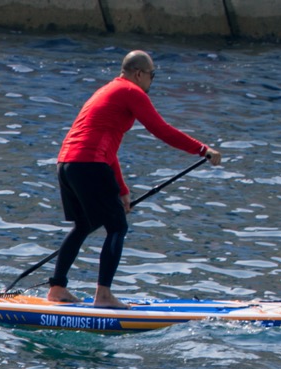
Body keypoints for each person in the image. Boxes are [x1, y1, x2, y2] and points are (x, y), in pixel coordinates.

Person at [47, 51, 220, 310]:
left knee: (84, 225)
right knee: (117, 227)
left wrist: (122, 190)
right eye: (152, 76)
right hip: (89, 164)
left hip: (67, 164)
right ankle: (103, 294)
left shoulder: (106, 90)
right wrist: (202, 149)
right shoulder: (131, 92)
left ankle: (57, 288)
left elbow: (108, 150)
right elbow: (161, 129)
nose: (152, 81)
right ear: (139, 73)